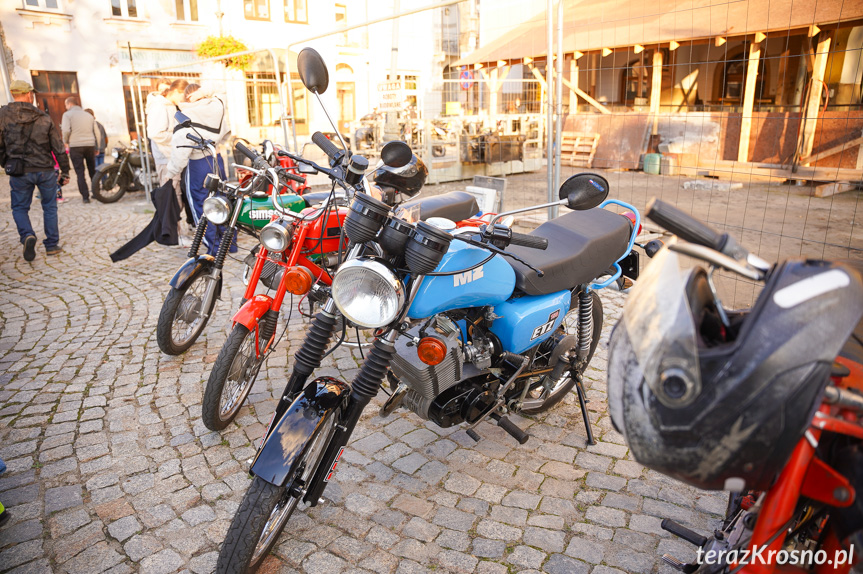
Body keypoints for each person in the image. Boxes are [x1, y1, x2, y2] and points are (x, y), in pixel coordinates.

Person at [0, 80, 69, 260]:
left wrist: (6, 162)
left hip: (19, 170)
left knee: (20, 208)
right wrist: (65, 171)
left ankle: (27, 235)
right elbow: (58, 147)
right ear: (29, 94)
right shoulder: (43, 117)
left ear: (13, 93)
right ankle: (52, 245)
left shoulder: (3, 115)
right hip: (45, 169)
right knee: (50, 207)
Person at [165, 83, 231, 255]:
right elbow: (222, 89)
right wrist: (204, 91)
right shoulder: (217, 106)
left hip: (198, 163)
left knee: (202, 206)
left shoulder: (186, 114)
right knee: (222, 201)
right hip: (216, 158)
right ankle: (230, 244)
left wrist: (171, 173)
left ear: (187, 96)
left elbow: (180, 151)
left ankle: (214, 248)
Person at [61, 96, 100, 203]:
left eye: (66, 105)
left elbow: (65, 130)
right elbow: (97, 132)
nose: (66, 107)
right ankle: (96, 193)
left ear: (69, 104)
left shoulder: (67, 115)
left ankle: (85, 197)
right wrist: (97, 146)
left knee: (80, 172)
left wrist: (66, 142)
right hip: (89, 145)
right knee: (92, 170)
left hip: (75, 145)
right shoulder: (88, 115)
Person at [146, 79, 179, 185]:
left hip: (174, 155)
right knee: (170, 191)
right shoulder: (159, 106)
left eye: (166, 88)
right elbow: (155, 133)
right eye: (160, 89)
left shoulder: (171, 105)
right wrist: (178, 137)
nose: (163, 91)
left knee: (177, 190)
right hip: (165, 156)